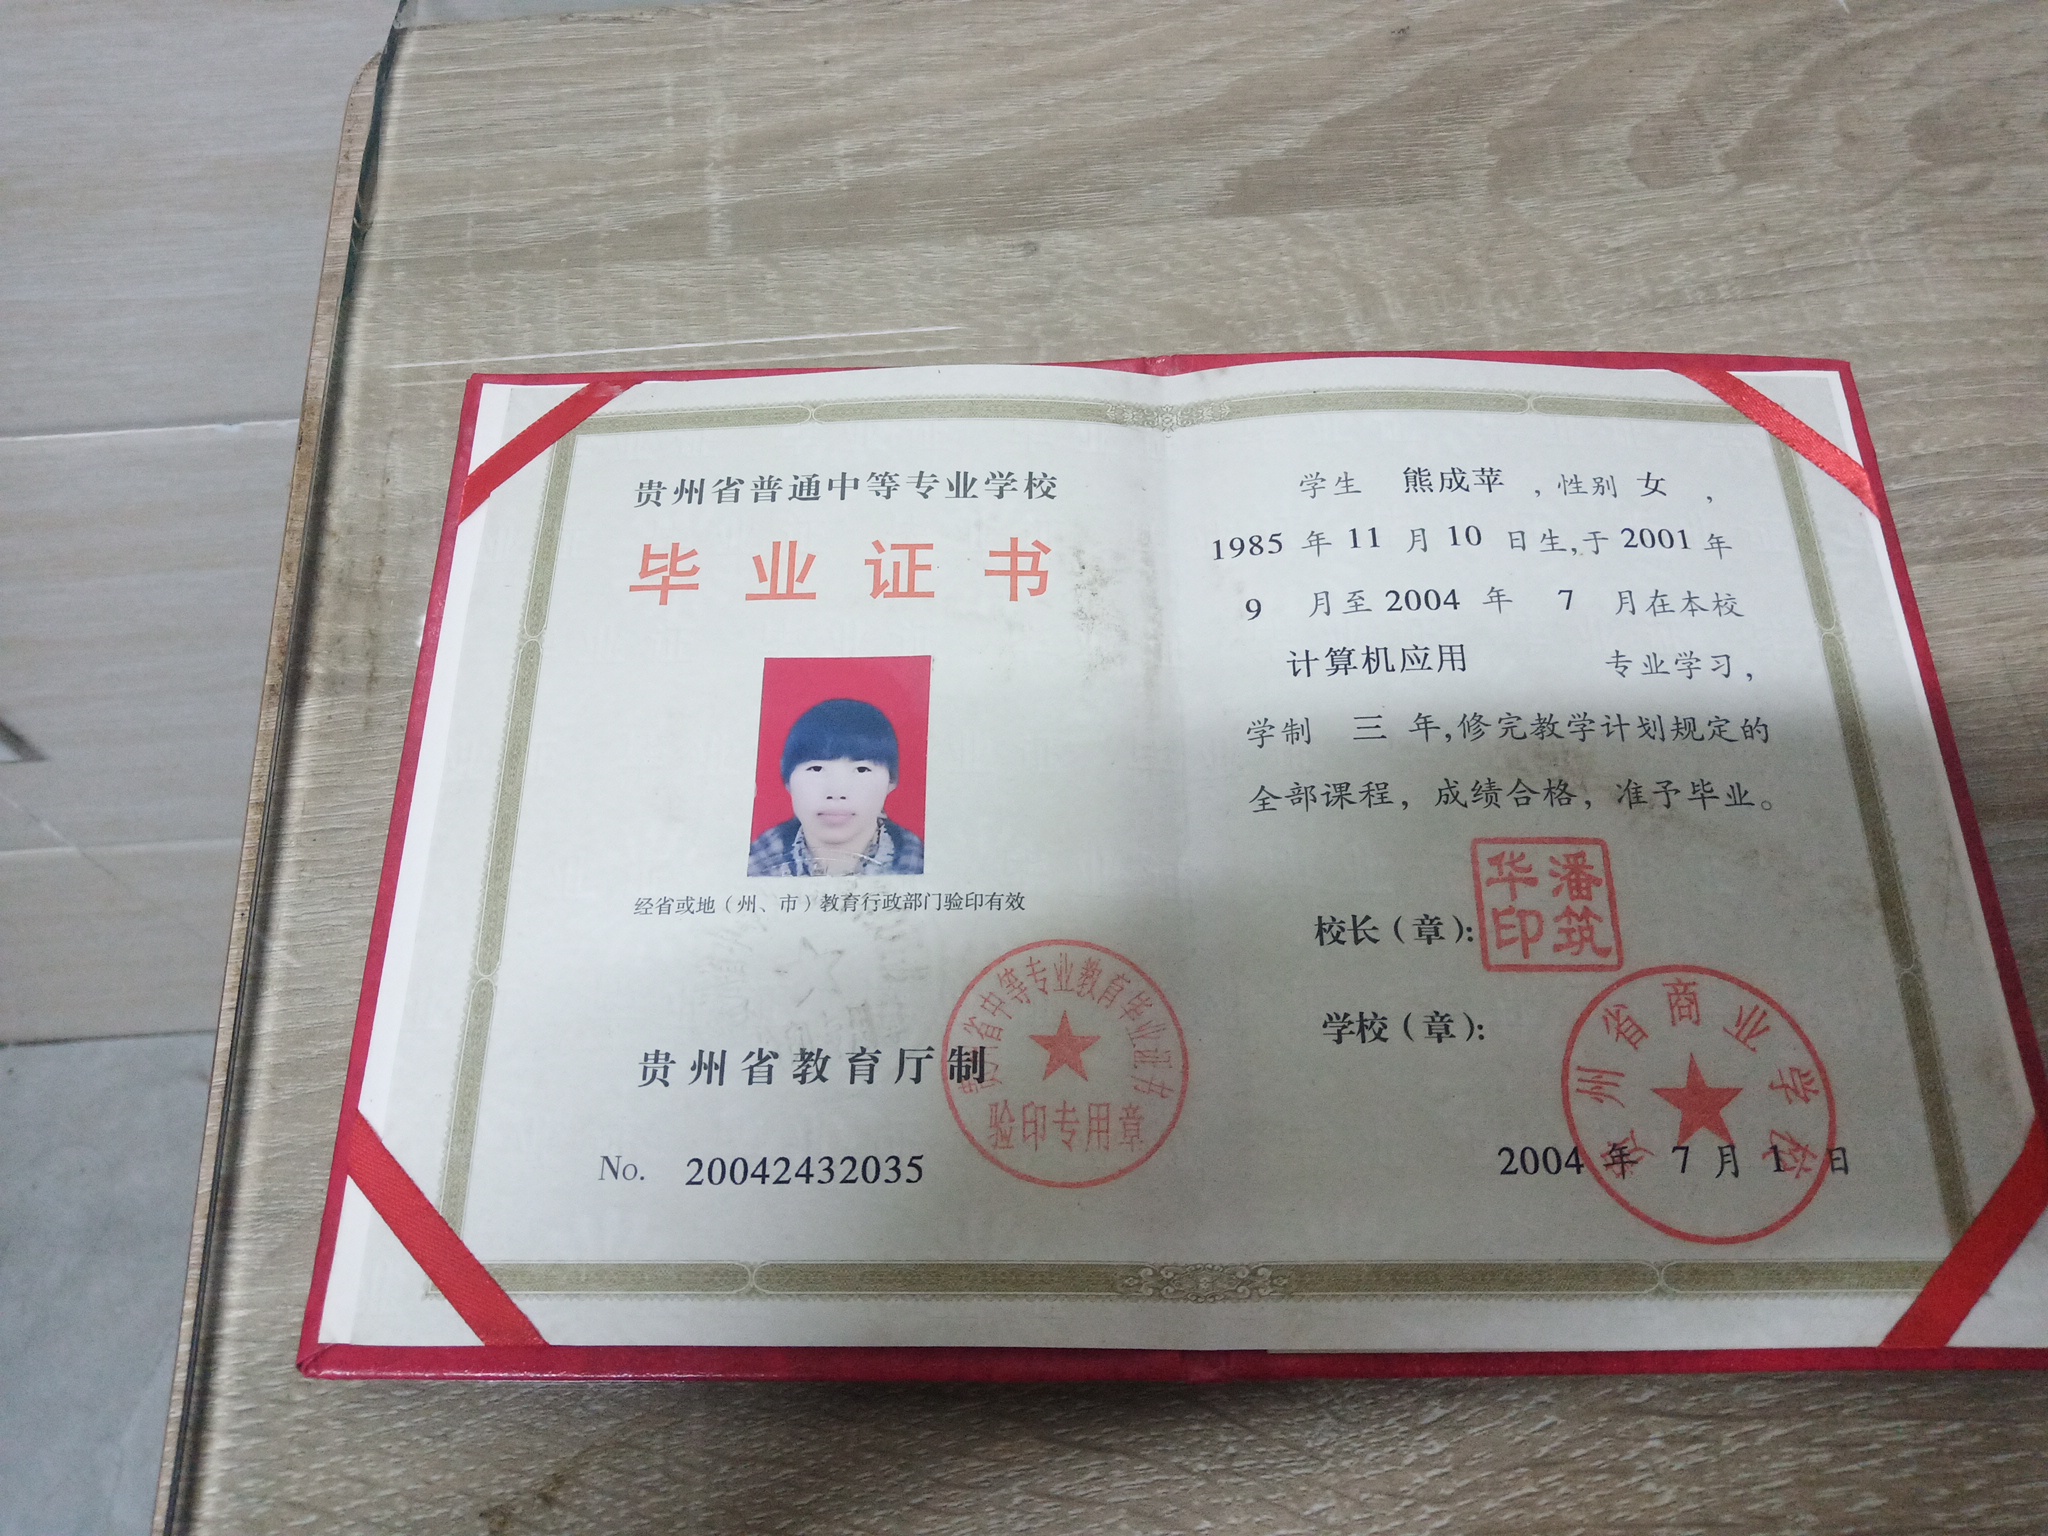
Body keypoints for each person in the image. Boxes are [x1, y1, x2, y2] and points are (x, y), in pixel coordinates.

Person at [747, 698, 924, 876]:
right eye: (816, 768)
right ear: (787, 779)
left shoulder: (920, 864)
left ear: (891, 781)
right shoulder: (756, 864)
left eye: (861, 769)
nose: (837, 793)